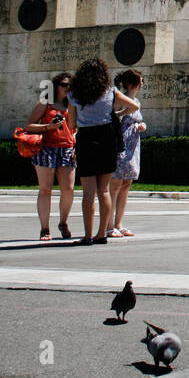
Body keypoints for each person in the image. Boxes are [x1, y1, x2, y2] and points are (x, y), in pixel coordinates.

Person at [66, 58, 140, 246]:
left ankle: (87, 235)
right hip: (107, 137)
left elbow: (71, 123)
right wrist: (116, 114)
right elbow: (134, 106)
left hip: (86, 138)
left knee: (88, 192)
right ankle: (101, 234)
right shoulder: (110, 92)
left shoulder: (74, 94)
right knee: (104, 190)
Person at [23, 72, 77, 241]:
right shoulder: (45, 103)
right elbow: (29, 126)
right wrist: (48, 127)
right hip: (46, 148)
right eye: (63, 85)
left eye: (70, 85)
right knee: (45, 190)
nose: (67, 88)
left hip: (67, 149)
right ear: (56, 86)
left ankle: (63, 222)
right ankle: (44, 229)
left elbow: (76, 128)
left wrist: (76, 144)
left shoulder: (73, 105)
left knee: (68, 190)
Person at [108, 69, 146, 238]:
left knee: (126, 185)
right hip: (121, 144)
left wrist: (141, 125)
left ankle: (119, 223)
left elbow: (136, 119)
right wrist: (124, 114)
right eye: (140, 81)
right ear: (130, 84)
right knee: (115, 185)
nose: (142, 83)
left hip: (133, 145)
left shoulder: (136, 100)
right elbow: (112, 118)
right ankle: (109, 225)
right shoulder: (120, 99)